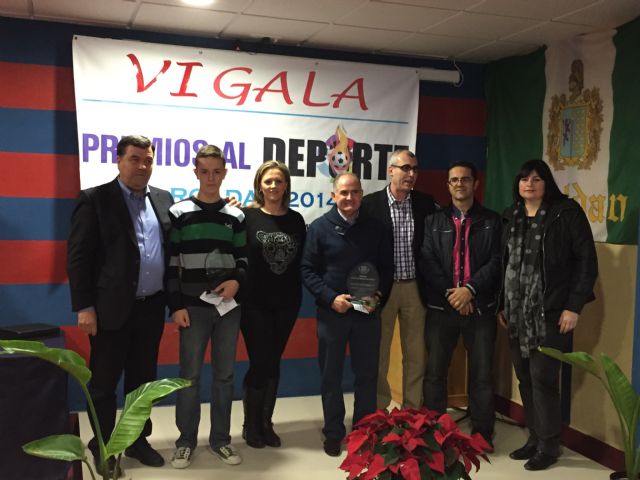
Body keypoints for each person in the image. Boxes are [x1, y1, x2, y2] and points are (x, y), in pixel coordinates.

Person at [67, 135, 173, 477]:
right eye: (134, 159)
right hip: (109, 309)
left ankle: (138, 441)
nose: (142, 166)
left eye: (148, 160)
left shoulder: (163, 198)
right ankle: (103, 447)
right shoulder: (95, 199)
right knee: (103, 384)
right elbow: (79, 257)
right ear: (119, 160)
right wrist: (84, 306)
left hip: (151, 308)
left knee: (143, 382)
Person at [498, 159, 598, 471]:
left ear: (547, 183)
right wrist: (502, 304)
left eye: (537, 179)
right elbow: (504, 264)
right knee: (525, 377)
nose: (529, 184)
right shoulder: (511, 215)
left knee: (543, 377)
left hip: (551, 312)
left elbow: (586, 262)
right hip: (516, 313)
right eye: (524, 179)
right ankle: (535, 436)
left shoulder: (566, 214)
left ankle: (549, 445)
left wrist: (574, 307)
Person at [301, 172, 393, 457]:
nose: (349, 197)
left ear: (361, 194)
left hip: (367, 312)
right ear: (333, 196)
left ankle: (363, 433)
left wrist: (378, 296)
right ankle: (333, 432)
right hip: (333, 313)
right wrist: (331, 298)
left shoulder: (376, 228)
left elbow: (387, 268)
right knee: (331, 376)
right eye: (343, 192)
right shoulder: (319, 228)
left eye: (354, 192)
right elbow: (307, 270)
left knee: (367, 375)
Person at [167, 145, 247, 469]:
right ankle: (185, 441)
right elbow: (172, 264)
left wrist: (237, 282)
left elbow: (244, 260)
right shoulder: (179, 212)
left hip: (228, 307)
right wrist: (176, 305)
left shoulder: (236, 216)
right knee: (189, 376)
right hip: (192, 308)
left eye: (216, 172)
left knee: (224, 376)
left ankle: (221, 440)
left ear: (224, 173)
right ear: (196, 172)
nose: (211, 177)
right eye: (204, 171)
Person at [419, 161, 501, 448]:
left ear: (475, 184)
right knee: (435, 373)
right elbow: (427, 261)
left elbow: (497, 261)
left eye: (465, 179)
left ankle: (482, 433)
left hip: (479, 309)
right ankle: (433, 431)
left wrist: (470, 291)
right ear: (448, 185)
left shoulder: (492, 221)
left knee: (482, 374)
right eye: (454, 180)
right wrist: (453, 295)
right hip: (442, 309)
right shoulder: (433, 221)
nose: (459, 184)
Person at [361, 149, 437, 409]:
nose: (411, 174)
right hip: (381, 290)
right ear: (390, 171)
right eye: (405, 168)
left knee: (415, 355)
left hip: (416, 288)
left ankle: (412, 412)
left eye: (414, 169)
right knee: (377, 354)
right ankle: (378, 411)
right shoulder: (369, 205)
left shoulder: (426, 203)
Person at [240, 160, 306, 449]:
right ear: (259, 185)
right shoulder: (246, 217)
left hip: (287, 303)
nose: (273, 186)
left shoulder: (296, 220)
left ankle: (266, 423)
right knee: (260, 362)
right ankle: (250, 425)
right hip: (253, 304)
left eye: (279, 181)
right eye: (268, 181)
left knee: (273, 362)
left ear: (286, 185)